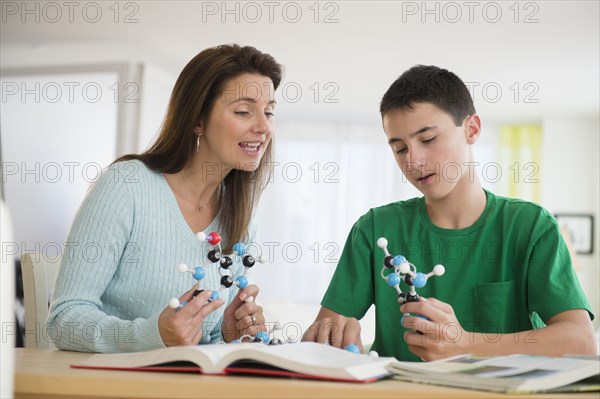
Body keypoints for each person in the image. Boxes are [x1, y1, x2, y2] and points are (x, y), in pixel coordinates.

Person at [302, 65, 596, 361]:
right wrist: (335, 336)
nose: (413, 160)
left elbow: (580, 341)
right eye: (400, 148)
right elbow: (319, 339)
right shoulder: (374, 229)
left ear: (472, 129)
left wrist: (466, 343)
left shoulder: (531, 226)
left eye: (427, 139)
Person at [47, 44, 283, 352]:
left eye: (269, 113)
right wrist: (152, 335)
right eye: (243, 111)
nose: (264, 127)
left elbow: (199, 344)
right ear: (197, 120)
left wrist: (227, 332)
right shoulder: (126, 185)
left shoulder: (241, 215)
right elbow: (64, 319)